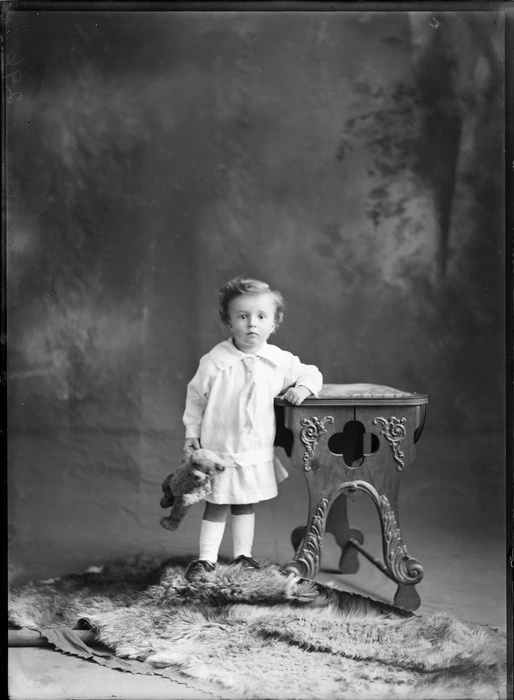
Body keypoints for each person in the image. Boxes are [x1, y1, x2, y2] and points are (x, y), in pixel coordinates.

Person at [182, 276, 323, 581]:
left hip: (253, 450)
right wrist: (191, 435)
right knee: (217, 503)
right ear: (228, 321)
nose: (252, 325)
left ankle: (243, 556)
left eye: (261, 317)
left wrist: (304, 388)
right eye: (242, 316)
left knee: (245, 503)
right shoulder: (215, 362)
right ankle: (206, 559)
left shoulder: (278, 360)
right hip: (219, 449)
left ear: (275, 323)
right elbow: (195, 400)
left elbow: (312, 373)